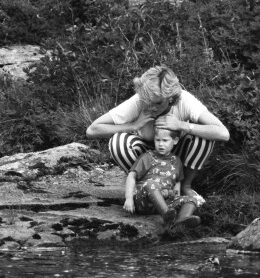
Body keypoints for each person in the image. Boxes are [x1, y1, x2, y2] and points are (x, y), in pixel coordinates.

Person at [86, 65, 230, 197]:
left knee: (203, 138)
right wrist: (133, 126)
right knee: (118, 142)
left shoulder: (184, 100)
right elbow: (92, 130)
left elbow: (223, 133)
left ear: (171, 98)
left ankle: (185, 186)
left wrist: (181, 125)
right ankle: (143, 188)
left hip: (175, 152)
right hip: (146, 155)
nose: (151, 107)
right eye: (147, 101)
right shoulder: (140, 100)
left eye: (158, 103)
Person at [123, 122, 200, 227]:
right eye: (157, 140)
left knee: (192, 199)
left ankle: (181, 221)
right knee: (151, 183)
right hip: (144, 202)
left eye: (165, 140)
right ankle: (166, 216)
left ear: (175, 141)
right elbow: (131, 176)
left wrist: (174, 195)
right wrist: (129, 198)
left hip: (165, 202)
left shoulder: (176, 161)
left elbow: (177, 182)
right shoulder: (147, 157)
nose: (160, 144)